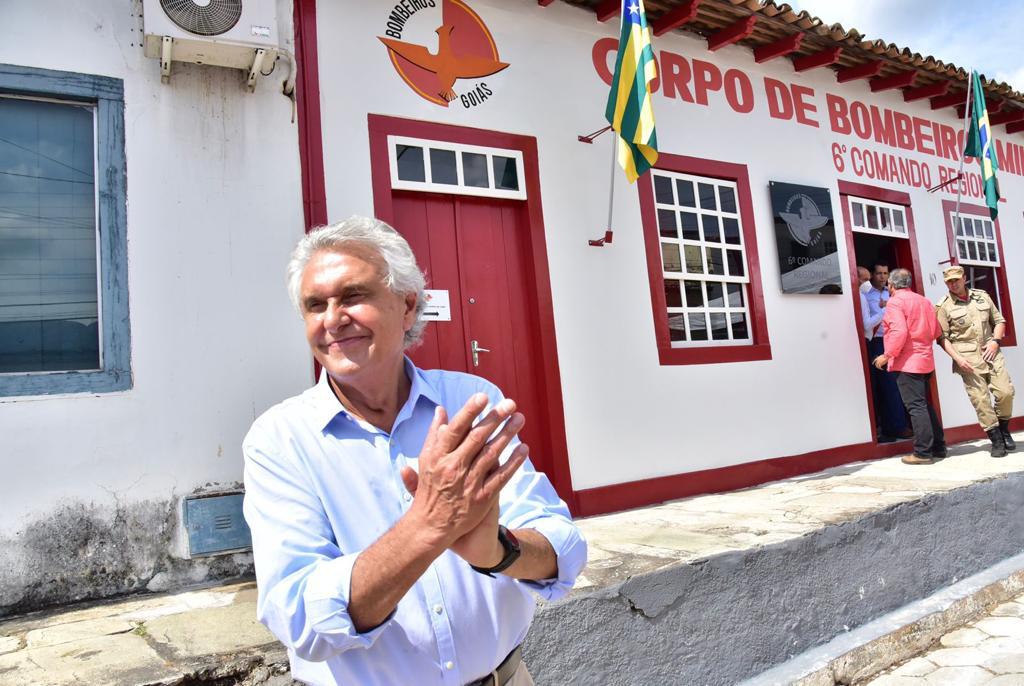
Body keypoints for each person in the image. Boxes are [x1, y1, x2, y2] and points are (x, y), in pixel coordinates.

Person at [242, 217, 587, 686]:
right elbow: (300, 617)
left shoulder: (469, 401)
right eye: (315, 305)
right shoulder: (279, 440)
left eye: (353, 296)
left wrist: (496, 551)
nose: (332, 319)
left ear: (407, 307)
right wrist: (427, 526)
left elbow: (561, 547)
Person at [936, 264, 1016, 457]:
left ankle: (1004, 428)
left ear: (964, 278)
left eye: (956, 280)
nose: (953, 284)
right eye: (949, 282)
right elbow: (942, 338)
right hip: (967, 358)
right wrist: (957, 359)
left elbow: (999, 321)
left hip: (991, 351)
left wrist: (996, 342)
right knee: (980, 399)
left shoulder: (983, 296)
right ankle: (996, 439)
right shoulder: (943, 306)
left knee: (1005, 392)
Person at [872, 268, 945, 465]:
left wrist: (887, 355)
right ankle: (939, 447)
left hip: (907, 362)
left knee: (916, 406)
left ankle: (922, 452)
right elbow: (935, 331)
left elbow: (899, 332)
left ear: (892, 285)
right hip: (925, 360)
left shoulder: (895, 302)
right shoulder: (924, 301)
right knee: (924, 405)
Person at [864, 263, 910, 441]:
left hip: (897, 339)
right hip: (878, 341)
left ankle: (901, 425)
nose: (882, 277)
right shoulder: (866, 296)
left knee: (901, 383)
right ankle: (893, 427)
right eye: (878, 273)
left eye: (885, 273)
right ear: (872, 275)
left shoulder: (892, 294)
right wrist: (885, 307)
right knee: (886, 386)